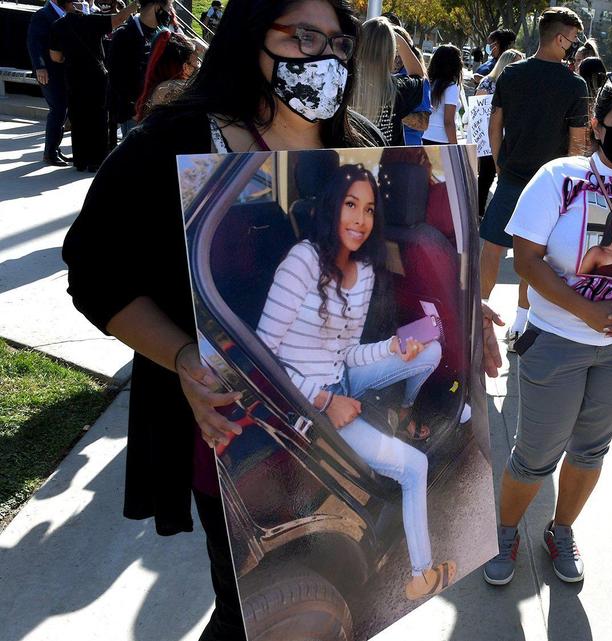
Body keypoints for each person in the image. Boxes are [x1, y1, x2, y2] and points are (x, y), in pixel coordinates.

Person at [61, 0, 390, 637]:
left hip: (339, 413)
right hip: (236, 434)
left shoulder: (362, 146)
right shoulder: (176, 141)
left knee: (341, 586)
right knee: (258, 600)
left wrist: (463, 318)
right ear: (249, 36)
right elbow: (94, 271)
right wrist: (184, 358)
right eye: (302, 37)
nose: (324, 60)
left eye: (339, 45)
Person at [482, 76, 612, 586]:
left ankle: (562, 530)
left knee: (592, 449)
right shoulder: (557, 177)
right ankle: (504, 533)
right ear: (597, 126)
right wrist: (586, 311)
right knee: (534, 455)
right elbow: (528, 260)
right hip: (556, 344)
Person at [255, 162, 454, 600]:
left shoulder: (362, 271)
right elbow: (262, 355)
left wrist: (391, 350)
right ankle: (421, 575)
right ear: (332, 207)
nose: (360, 220)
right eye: (350, 205)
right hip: (308, 405)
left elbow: (347, 354)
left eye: (368, 209)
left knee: (432, 350)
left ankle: (401, 411)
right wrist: (324, 401)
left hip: (342, 376)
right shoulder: (303, 261)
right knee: (414, 468)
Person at [481, 7, 589, 351]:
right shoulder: (575, 84)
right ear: (560, 39)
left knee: (492, 247)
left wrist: (500, 163)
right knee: (536, 256)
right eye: (573, 39)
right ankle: (521, 324)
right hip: (551, 185)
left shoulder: (511, 74)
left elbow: (494, 124)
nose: (574, 45)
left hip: (512, 175)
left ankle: (476, 314)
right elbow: (577, 141)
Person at [49, 0, 139, 172]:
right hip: (96, 76)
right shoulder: (91, 20)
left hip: (73, 77)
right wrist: (135, 4)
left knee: (78, 118)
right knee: (98, 118)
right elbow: (119, 18)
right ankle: (97, 160)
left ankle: (81, 160)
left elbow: (55, 57)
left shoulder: (57, 25)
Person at [352, 16, 426, 145]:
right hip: (388, 162)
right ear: (391, 52)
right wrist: (398, 39)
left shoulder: (343, 85)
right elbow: (418, 75)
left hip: (349, 161)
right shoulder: (398, 89)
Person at [108, 0, 174, 139]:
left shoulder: (161, 33)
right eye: (169, 7)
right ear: (156, 6)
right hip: (135, 114)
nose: (171, 12)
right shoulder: (125, 35)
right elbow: (116, 79)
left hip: (155, 110)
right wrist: (133, 110)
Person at [474, 48, 525, 217]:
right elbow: (479, 110)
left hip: (510, 137)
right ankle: (478, 212)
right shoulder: (489, 82)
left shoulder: (518, 85)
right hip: (488, 138)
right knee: (486, 176)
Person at [27, 0, 72, 166]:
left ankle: (55, 149)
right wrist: (39, 67)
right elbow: (34, 43)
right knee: (58, 109)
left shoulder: (68, 13)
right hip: (48, 72)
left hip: (64, 71)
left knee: (64, 110)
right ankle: (50, 153)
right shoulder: (42, 15)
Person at [133, 30, 200, 120]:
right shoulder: (175, 88)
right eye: (197, 60)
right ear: (185, 67)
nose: (199, 64)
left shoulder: (162, 86)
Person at [422, 44, 463, 145]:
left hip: (423, 135)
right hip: (441, 139)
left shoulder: (427, 82)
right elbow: (448, 121)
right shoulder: (451, 87)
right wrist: (455, 146)